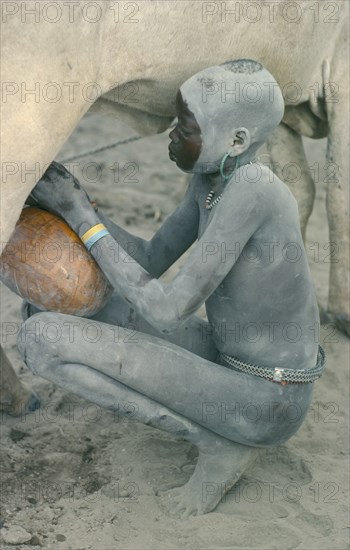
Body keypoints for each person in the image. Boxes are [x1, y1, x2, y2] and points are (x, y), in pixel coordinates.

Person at [18, 59, 325, 517]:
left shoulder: (255, 188)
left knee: (39, 341)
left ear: (237, 140)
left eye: (186, 126)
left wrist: (82, 218)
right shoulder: (213, 178)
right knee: (40, 311)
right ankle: (219, 434)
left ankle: (218, 444)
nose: (173, 136)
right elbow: (149, 259)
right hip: (227, 361)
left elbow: (167, 311)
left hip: (266, 401)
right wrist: (75, 202)